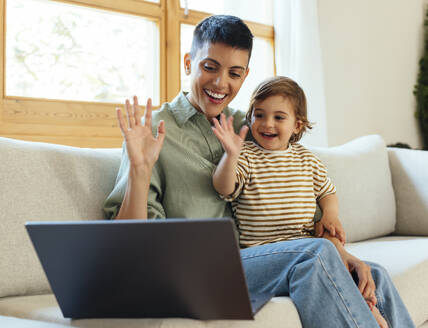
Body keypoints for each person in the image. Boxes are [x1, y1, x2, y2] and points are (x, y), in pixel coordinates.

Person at [103, 14, 415, 328]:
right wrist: (140, 172)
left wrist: (339, 251)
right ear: (188, 63)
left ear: (245, 76)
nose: (221, 83)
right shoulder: (153, 132)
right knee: (312, 255)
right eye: (209, 67)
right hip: (192, 270)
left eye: (234, 73)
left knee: (371, 275)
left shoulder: (251, 125)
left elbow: (298, 185)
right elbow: (127, 247)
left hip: (252, 261)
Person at [210, 76, 386, 327]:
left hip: (305, 248)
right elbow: (223, 186)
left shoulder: (307, 159)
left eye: (279, 117)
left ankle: (369, 308)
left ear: (297, 125)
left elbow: (327, 191)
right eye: (259, 115)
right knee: (322, 250)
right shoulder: (246, 156)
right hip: (265, 252)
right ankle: (366, 315)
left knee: (374, 272)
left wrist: (330, 215)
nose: (267, 123)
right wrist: (230, 156)